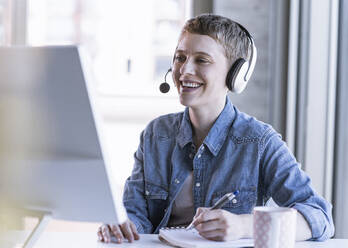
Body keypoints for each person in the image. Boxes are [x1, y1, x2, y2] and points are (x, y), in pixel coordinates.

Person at [97, 14, 335, 243]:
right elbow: (136, 214)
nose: (185, 71)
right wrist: (122, 225)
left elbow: (320, 217)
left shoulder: (259, 141)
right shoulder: (156, 134)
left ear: (235, 75)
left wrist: (243, 226)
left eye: (202, 60)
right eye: (180, 57)